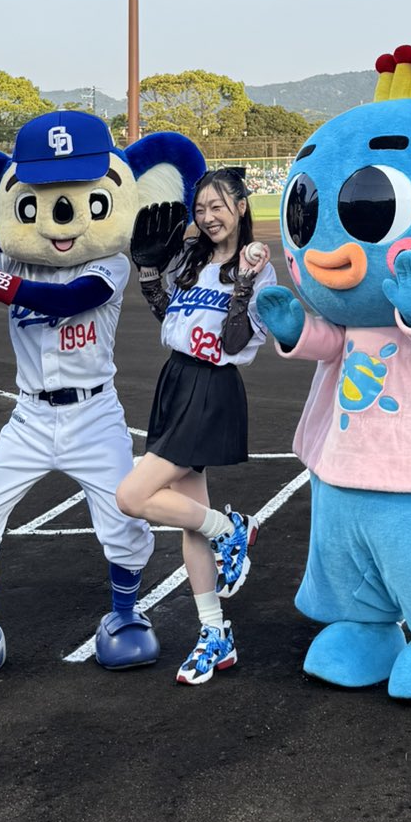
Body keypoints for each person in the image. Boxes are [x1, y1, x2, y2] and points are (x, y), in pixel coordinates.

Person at [118, 168, 276, 687]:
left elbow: (233, 342)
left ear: (241, 206)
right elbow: (174, 320)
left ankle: (231, 529)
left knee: (132, 496)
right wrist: (148, 274)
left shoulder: (256, 266)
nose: (208, 217)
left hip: (211, 387)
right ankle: (215, 633)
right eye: (201, 208)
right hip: (176, 380)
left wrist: (245, 281)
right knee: (192, 522)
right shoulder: (189, 257)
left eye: (218, 207)